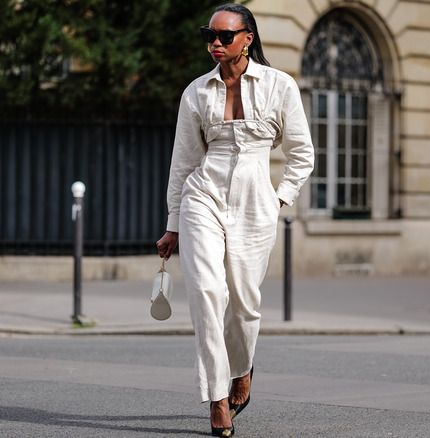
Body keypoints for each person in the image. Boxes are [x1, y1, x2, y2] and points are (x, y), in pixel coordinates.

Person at [156, 3, 314, 436]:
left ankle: (242, 368)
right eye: (210, 35)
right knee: (207, 292)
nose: (216, 43)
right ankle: (217, 398)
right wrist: (173, 223)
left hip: (255, 200)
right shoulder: (196, 92)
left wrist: (278, 198)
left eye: (226, 36)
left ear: (248, 38)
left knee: (244, 301)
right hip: (202, 196)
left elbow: (302, 154)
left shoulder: (280, 86)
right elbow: (184, 162)